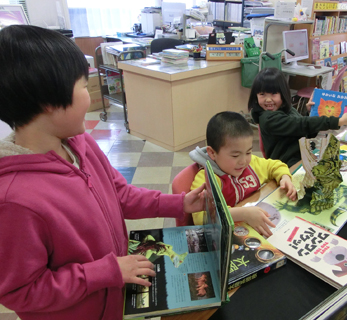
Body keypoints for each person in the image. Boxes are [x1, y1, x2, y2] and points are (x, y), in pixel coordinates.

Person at [0, 25, 205, 320]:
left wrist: (179, 203)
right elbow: (23, 291)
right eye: (83, 86)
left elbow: (119, 194)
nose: (90, 96)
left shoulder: (79, 144)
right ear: (47, 103)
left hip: (112, 300)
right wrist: (106, 271)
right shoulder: (14, 201)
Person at [189, 111, 297, 237]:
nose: (243, 161)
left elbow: (274, 166)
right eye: (235, 155)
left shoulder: (251, 164)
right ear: (212, 153)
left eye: (248, 152)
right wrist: (243, 213)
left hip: (255, 224)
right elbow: (204, 217)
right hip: (229, 235)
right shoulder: (206, 179)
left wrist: (284, 177)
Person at [249, 68, 347, 167]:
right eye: (262, 94)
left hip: (302, 153)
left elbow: (302, 129)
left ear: (283, 93)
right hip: (285, 164)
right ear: (256, 96)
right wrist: (338, 121)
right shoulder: (268, 119)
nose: (268, 100)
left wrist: (311, 113)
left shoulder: (287, 109)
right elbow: (301, 124)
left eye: (273, 94)